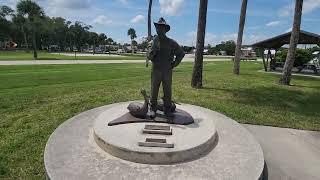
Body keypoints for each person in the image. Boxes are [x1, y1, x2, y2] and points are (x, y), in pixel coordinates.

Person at [147, 17, 185, 118]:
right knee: (154, 89)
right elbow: (149, 57)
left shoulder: (171, 42)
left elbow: (181, 53)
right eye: (157, 28)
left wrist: (174, 64)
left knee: (167, 90)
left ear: (165, 30)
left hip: (167, 70)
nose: (159, 30)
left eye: (161, 28)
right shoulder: (153, 42)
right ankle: (153, 108)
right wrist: (152, 50)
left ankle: (167, 108)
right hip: (156, 70)